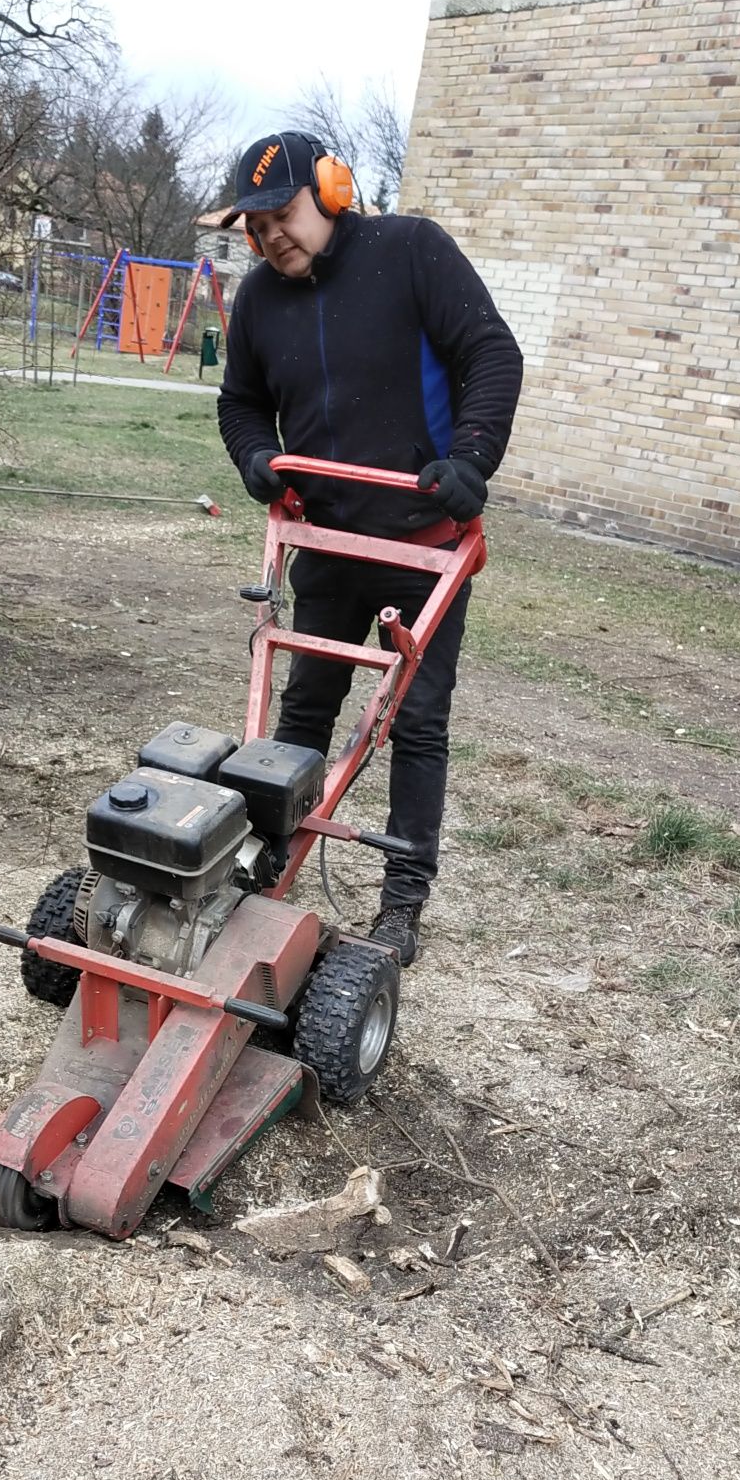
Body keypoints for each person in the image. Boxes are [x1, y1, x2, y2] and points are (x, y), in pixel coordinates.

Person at [215, 130, 524, 965]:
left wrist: (470, 459)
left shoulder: (410, 252)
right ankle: (270, 855)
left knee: (417, 722)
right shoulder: (257, 303)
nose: (271, 235)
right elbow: (239, 401)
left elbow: (491, 353)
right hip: (328, 540)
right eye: (255, 225)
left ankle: (401, 904)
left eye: (282, 214)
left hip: (425, 543)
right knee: (306, 708)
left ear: (331, 189)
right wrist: (253, 459)